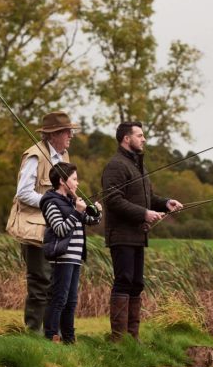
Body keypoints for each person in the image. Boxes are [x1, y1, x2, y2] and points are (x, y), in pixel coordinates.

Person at [101, 121, 183, 341]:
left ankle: (132, 339)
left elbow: (148, 198)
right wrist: (144, 214)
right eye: (140, 135)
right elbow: (113, 200)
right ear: (126, 139)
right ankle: (119, 339)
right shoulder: (115, 166)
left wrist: (165, 203)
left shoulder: (139, 166)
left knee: (137, 284)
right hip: (121, 235)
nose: (144, 139)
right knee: (124, 281)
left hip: (138, 235)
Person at [6, 111, 77, 332]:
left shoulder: (64, 158)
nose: (71, 135)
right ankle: (33, 333)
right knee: (39, 283)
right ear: (54, 134)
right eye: (67, 131)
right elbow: (23, 194)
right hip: (35, 231)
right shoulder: (34, 156)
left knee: (55, 285)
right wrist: (53, 202)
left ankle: (50, 334)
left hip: (56, 230)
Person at [39, 162, 101, 343]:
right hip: (62, 257)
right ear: (62, 181)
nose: (77, 183)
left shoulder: (70, 202)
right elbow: (60, 229)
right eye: (74, 179)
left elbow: (90, 220)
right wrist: (76, 212)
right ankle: (51, 336)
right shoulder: (51, 202)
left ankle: (69, 339)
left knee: (71, 301)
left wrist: (98, 213)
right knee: (59, 298)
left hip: (74, 258)